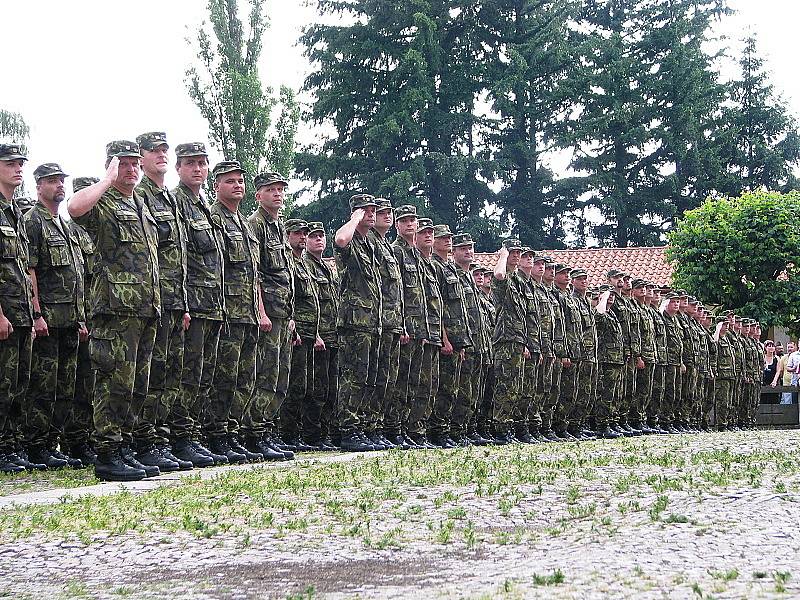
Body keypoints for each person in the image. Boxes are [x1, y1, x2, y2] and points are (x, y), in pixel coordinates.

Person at [68, 141, 161, 481]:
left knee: (137, 384)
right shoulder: (102, 200)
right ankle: (106, 453)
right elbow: (74, 208)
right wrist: (106, 180)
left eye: (136, 163)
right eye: (124, 164)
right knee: (113, 382)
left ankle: (124, 447)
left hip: (145, 308)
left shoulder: (141, 204)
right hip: (114, 309)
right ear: (111, 166)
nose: (132, 169)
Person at [134, 132, 191, 473]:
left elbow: (178, 257)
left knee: (170, 375)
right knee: (151, 374)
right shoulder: (139, 196)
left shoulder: (168, 199)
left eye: (164, 150)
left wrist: (182, 302)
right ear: (140, 159)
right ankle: (146, 441)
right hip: (153, 300)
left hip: (174, 300)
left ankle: (160, 438)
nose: (160, 155)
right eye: (153, 151)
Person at [23, 163, 86, 469]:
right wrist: (36, 314)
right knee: (44, 386)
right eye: (52, 181)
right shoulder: (33, 221)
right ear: (39, 186)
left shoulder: (63, 224)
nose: (59, 185)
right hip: (48, 319)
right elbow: (30, 269)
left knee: (66, 387)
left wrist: (82, 316)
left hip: (70, 319)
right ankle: (36, 445)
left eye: (62, 180)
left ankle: (52, 443)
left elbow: (77, 276)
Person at [170, 143, 227, 467]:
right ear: (179, 168)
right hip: (193, 304)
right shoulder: (177, 202)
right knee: (187, 375)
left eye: (203, 164)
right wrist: (186, 303)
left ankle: (193, 436)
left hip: (213, 305)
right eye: (191, 163)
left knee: (204, 375)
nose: (198, 169)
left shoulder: (202, 205)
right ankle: (181, 437)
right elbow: (178, 258)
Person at [206, 160, 261, 462]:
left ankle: (232, 432)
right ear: (216, 186)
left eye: (240, 181)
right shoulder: (214, 218)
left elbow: (254, 274)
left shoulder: (243, 223)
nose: (237, 185)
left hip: (248, 312)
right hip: (227, 310)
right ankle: (216, 434)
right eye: (230, 181)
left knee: (243, 378)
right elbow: (214, 268)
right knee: (223, 378)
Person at [246, 171, 295, 461]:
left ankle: (267, 430)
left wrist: (288, 314)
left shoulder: (278, 227)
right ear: (259, 195)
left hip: (282, 312)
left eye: (280, 189)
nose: (277, 194)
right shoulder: (256, 224)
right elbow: (256, 275)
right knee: (265, 374)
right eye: (271, 189)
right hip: (268, 314)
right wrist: (261, 311)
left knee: (280, 376)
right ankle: (255, 432)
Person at [334, 194, 382, 452]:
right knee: (352, 376)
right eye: (366, 210)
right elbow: (340, 240)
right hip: (354, 320)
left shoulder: (369, 244)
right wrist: (354, 218)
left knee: (367, 377)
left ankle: (362, 427)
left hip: (371, 321)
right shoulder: (351, 239)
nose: (371, 214)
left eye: (373, 210)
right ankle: (349, 430)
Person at [0, 144, 37, 474]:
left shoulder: (14, 213)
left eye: (21, 163)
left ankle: (11, 447)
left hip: (21, 314)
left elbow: (23, 267)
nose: (18, 168)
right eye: (10, 163)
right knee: (2, 384)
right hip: (5, 313)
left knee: (17, 385)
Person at [280, 218, 322, 450]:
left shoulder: (303, 263)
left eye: (304, 233)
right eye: (297, 233)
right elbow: (290, 296)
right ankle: (287, 435)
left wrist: (315, 334)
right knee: (292, 386)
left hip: (308, 332)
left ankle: (295, 435)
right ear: (288, 235)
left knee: (304, 386)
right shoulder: (290, 261)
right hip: (294, 331)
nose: (303, 237)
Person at [367, 198, 403, 450]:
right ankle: (364, 428)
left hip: (391, 323)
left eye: (390, 212)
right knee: (368, 378)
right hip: (372, 321)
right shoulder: (369, 242)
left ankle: (377, 428)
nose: (386, 216)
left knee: (388, 380)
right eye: (381, 212)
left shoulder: (386, 247)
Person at [304, 222, 340, 448]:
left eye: (321, 236)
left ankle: (324, 433)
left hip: (333, 335)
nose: (319, 240)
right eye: (313, 236)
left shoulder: (327, 268)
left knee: (330, 388)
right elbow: (309, 303)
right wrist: (315, 333)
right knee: (315, 389)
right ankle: (311, 434)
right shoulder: (306, 266)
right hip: (318, 336)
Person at [491, 239, 528, 444]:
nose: (516, 255)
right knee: (505, 386)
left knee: (515, 387)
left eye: (517, 252)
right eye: (512, 252)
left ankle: (509, 426)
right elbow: (498, 276)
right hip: (505, 338)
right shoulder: (503, 275)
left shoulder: (520, 281)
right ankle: (501, 427)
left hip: (518, 338)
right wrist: (502, 257)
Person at [762, 340, 780, 404]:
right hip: (763, 382)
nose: (771, 347)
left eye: (772, 346)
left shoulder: (776, 358)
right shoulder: (762, 357)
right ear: (765, 348)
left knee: (774, 400)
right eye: (769, 346)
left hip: (773, 382)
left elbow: (778, 371)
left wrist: (774, 381)